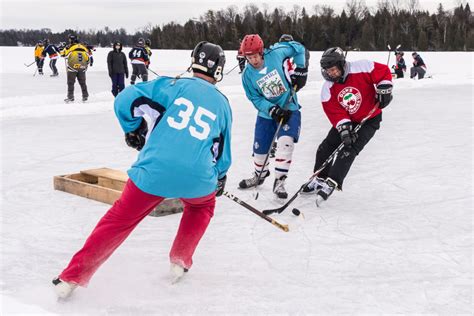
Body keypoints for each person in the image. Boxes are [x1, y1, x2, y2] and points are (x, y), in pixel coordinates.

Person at [51, 41, 232, 299]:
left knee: (118, 221)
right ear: (219, 69)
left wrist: (133, 128)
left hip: (152, 174)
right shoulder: (223, 104)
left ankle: (70, 278)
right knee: (202, 206)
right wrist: (220, 177)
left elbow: (124, 99)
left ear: (193, 61)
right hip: (198, 179)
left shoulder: (170, 85)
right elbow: (222, 152)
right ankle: (179, 261)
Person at [302, 47, 393, 205]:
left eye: (334, 69)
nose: (331, 73)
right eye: (328, 71)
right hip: (348, 120)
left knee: (349, 150)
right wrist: (344, 129)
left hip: (369, 119)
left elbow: (383, 71)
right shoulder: (327, 89)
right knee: (325, 147)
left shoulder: (361, 67)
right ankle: (320, 179)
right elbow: (335, 112)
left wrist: (384, 88)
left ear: (342, 64)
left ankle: (332, 181)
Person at [237, 34, 308, 199]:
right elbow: (255, 98)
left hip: (290, 106)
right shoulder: (247, 75)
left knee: (285, 143)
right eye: (249, 57)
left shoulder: (276, 53)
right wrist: (271, 109)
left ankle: (280, 181)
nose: (253, 60)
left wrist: (301, 69)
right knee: (260, 150)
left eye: (255, 56)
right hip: (267, 114)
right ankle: (259, 176)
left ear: (261, 52)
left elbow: (298, 48)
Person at [60, 34, 92, 103]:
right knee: (83, 82)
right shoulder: (83, 47)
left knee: (70, 83)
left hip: (72, 67)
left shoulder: (69, 47)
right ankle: (85, 95)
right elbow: (88, 58)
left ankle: (70, 97)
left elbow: (63, 54)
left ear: (71, 40)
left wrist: (61, 48)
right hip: (82, 67)